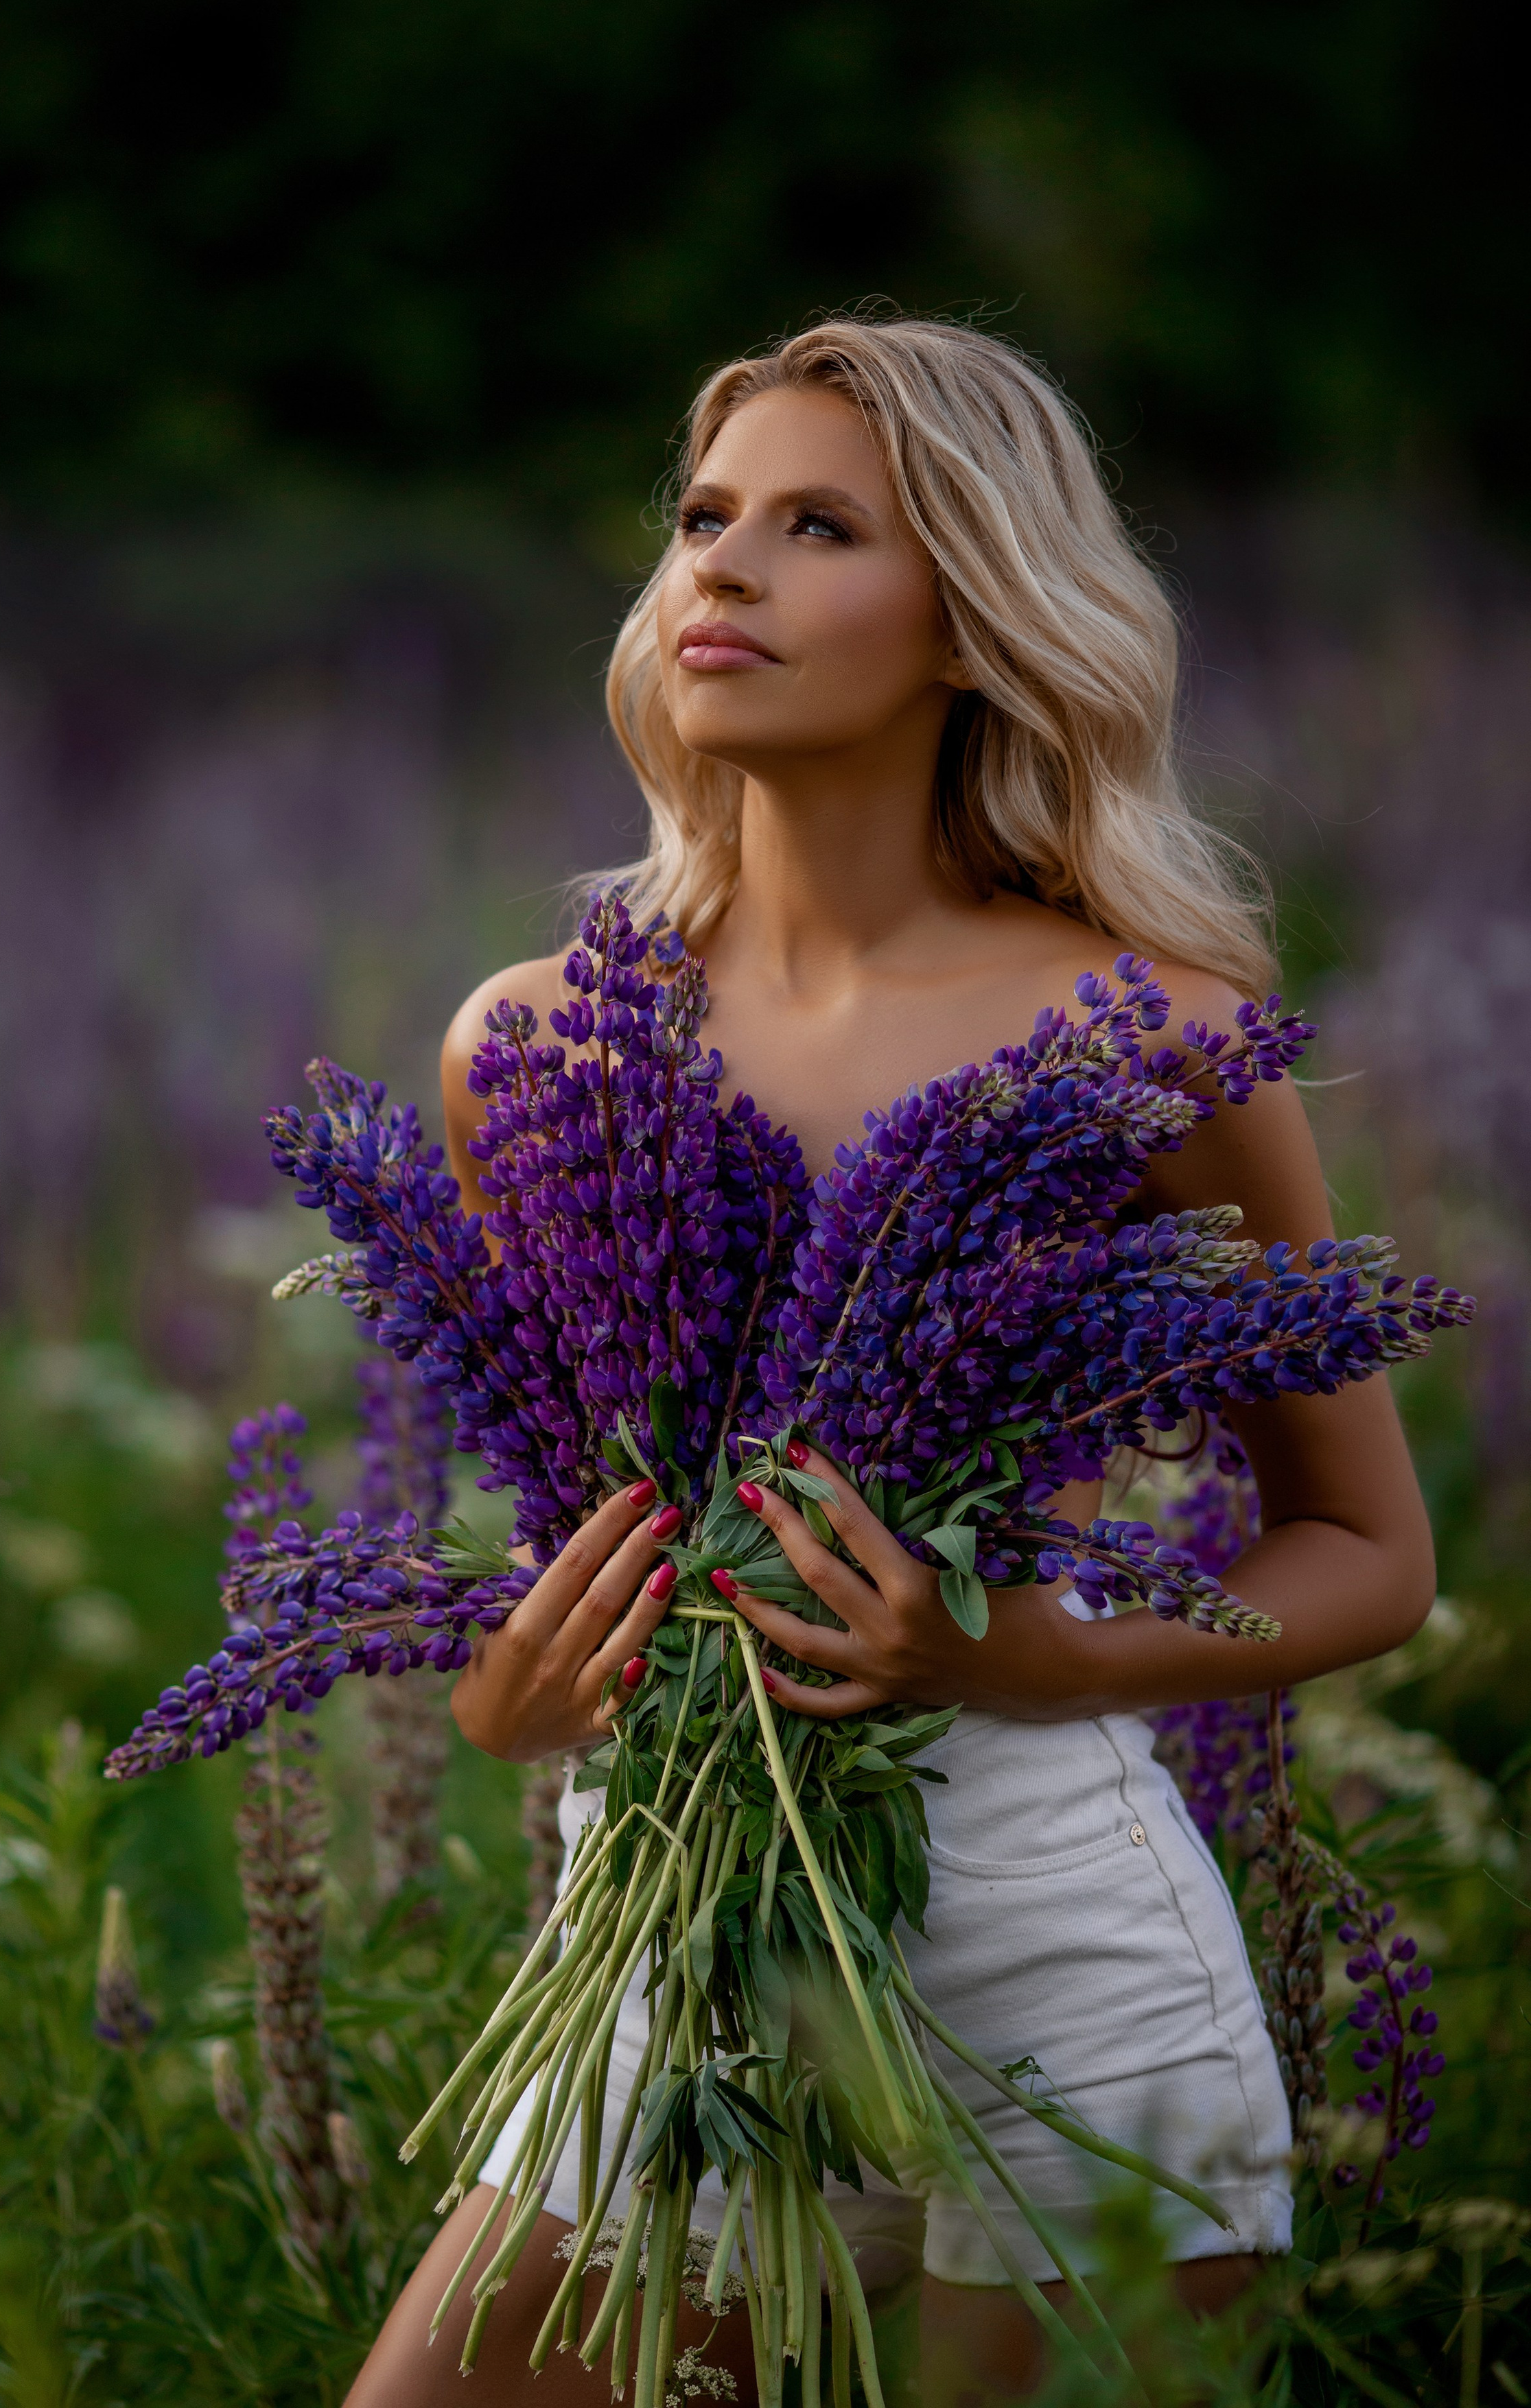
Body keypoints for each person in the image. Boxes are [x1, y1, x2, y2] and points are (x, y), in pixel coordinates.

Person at [347, 316, 1434, 2407]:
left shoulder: (1155, 1038)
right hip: (662, 1981)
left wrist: (1042, 1656)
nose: (720, 573)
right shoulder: (541, 1047)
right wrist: (510, 1701)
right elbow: (583, 1550)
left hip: (1064, 1989)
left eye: (817, 526)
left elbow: (1371, 1552)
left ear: (975, 621)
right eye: (702, 520)